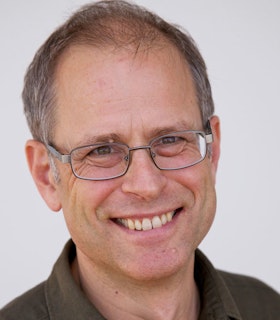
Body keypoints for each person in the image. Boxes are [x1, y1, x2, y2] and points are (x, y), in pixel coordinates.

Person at [1, 0, 279, 319]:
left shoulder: (269, 308)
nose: (146, 185)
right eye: (101, 151)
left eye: (171, 140)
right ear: (46, 176)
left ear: (212, 151)